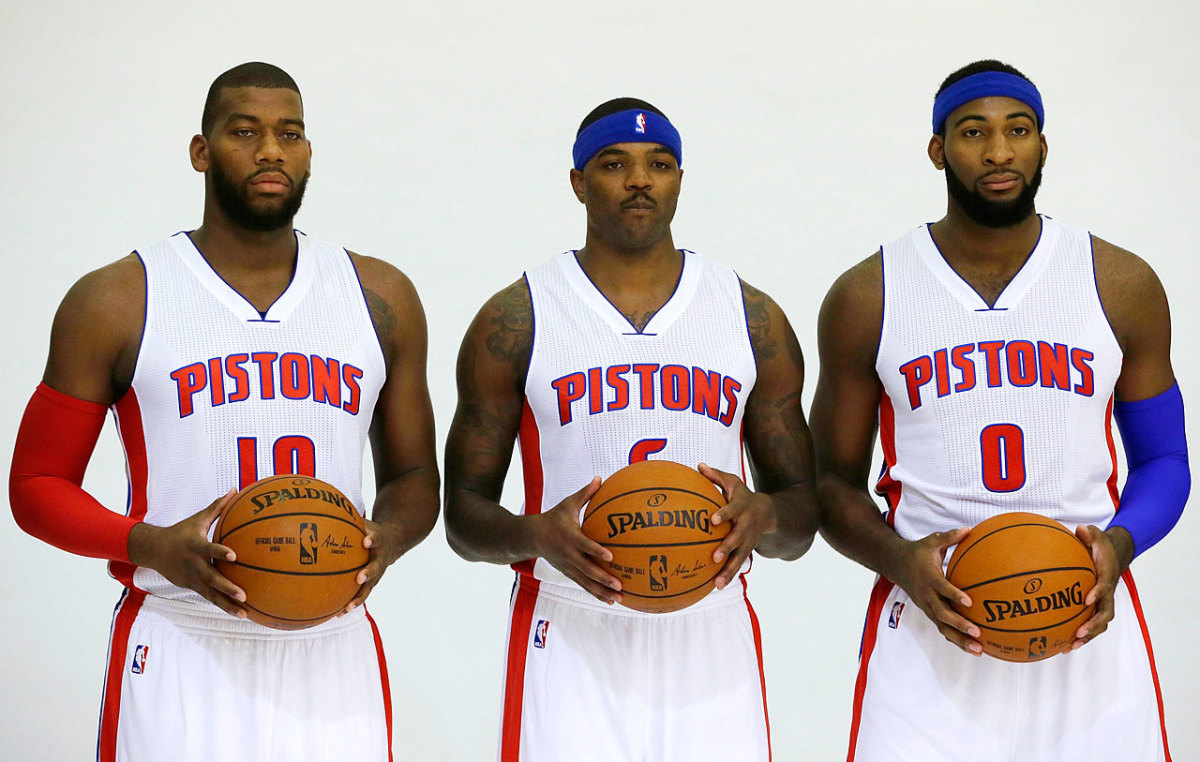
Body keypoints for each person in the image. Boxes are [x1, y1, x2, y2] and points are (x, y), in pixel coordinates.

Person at [9, 62, 440, 761]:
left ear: (307, 153)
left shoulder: (379, 295)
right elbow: (34, 488)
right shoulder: (116, 298)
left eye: (290, 133)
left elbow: (416, 474)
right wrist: (151, 546)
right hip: (181, 639)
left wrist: (381, 541)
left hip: (331, 645)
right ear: (201, 151)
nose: (271, 149)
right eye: (245, 130)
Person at [812, 60, 1189, 761]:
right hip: (931, 628)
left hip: (1083, 622)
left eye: (1018, 130)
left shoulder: (1121, 284)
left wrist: (1119, 547)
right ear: (937, 149)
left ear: (1043, 144)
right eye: (972, 132)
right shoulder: (869, 295)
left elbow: (1166, 460)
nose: (997, 152)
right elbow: (829, 482)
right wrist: (900, 561)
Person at [443, 98, 819, 761]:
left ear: (680, 178)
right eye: (615, 164)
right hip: (570, 628)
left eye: (659, 164)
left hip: (712, 625)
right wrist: (532, 533)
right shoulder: (518, 317)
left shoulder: (749, 316)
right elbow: (462, 516)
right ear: (579, 182)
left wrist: (762, 516)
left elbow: (803, 515)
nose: (640, 180)